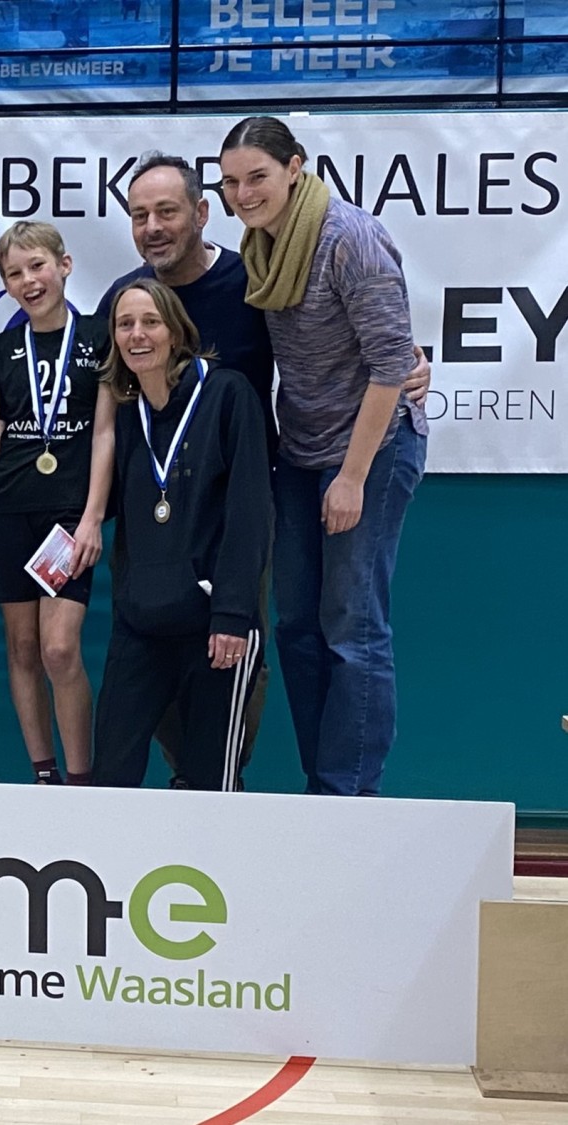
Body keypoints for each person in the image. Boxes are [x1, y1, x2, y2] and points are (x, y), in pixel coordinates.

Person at [96, 150, 431, 789]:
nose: (153, 227)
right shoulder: (126, 299)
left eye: (166, 211)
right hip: (162, 515)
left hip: (239, 506)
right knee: (267, 636)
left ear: (202, 212)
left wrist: (406, 361)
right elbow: (97, 393)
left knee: (258, 641)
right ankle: (197, 778)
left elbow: (350, 337)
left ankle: (251, 783)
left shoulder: (251, 279)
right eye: (139, 215)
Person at [219, 116, 428, 796]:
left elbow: (392, 365)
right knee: (296, 627)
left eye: (257, 177)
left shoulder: (350, 239)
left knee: (352, 627)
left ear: (295, 168)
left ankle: (350, 796)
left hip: (370, 451)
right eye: (231, 183)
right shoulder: (260, 246)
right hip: (301, 451)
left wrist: (353, 477)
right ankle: (322, 788)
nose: (244, 194)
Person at [93, 280, 271, 790]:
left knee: (210, 783)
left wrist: (232, 614)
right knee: (110, 776)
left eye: (150, 322)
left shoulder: (228, 395)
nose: (137, 334)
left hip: (214, 626)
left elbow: (250, 514)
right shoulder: (126, 414)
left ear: (176, 331)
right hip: (141, 623)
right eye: (125, 325)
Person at [0, 222, 114, 786]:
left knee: (59, 650)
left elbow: (106, 433)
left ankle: (81, 782)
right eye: (14, 273)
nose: (28, 281)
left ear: (64, 265)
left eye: (37, 265)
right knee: (22, 648)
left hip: (66, 518)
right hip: (7, 510)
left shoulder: (100, 339)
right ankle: (44, 776)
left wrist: (92, 518)